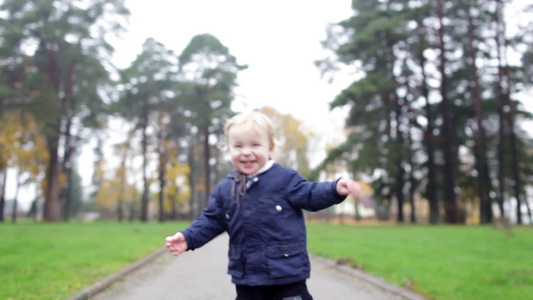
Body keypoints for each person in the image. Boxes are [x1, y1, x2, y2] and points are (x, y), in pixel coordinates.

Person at [165, 111, 361, 300]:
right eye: (238, 146)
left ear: (270, 148)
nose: (246, 152)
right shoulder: (226, 189)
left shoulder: (284, 179)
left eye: (255, 145)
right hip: (247, 278)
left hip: (286, 274)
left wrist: (335, 188)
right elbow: (211, 220)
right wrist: (189, 237)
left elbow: (310, 193)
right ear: (229, 150)